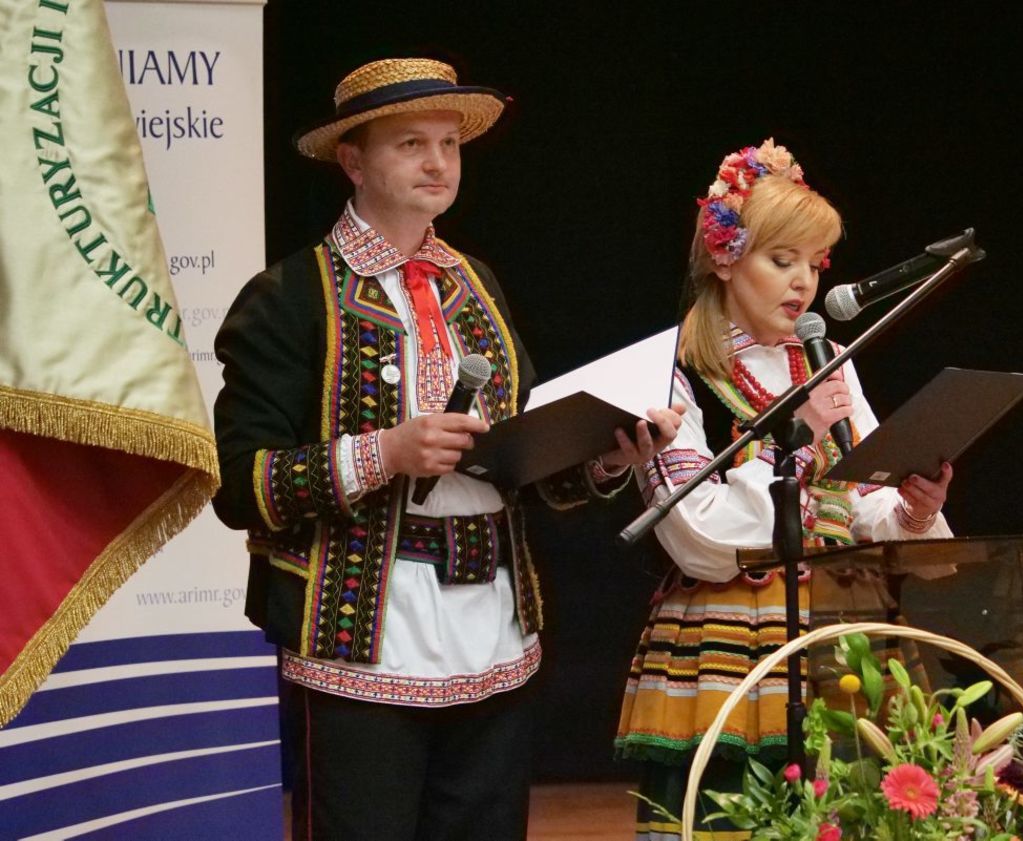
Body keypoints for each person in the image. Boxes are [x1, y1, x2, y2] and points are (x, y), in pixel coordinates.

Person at [211, 58, 681, 841]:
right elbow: (240, 484)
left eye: (450, 144)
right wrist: (385, 452)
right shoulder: (291, 296)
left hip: (491, 626)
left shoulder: (475, 283)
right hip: (362, 638)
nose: (438, 162)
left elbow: (523, 458)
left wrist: (608, 453)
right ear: (353, 160)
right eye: (411, 144)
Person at [614, 140, 954, 839]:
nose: (802, 283)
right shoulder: (672, 371)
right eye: (781, 260)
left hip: (842, 631)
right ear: (724, 258)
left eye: (813, 263)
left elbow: (859, 499)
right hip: (731, 647)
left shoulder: (827, 363)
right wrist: (797, 435)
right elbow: (700, 535)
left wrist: (912, 508)